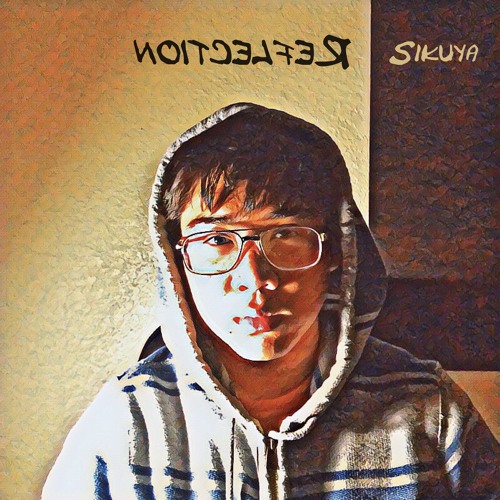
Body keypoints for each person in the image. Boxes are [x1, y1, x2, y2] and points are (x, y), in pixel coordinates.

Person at [43, 103, 498, 499]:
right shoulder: (129, 423)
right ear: (176, 262)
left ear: (337, 254)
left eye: (286, 235)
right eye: (216, 239)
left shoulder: (432, 412)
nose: (255, 280)